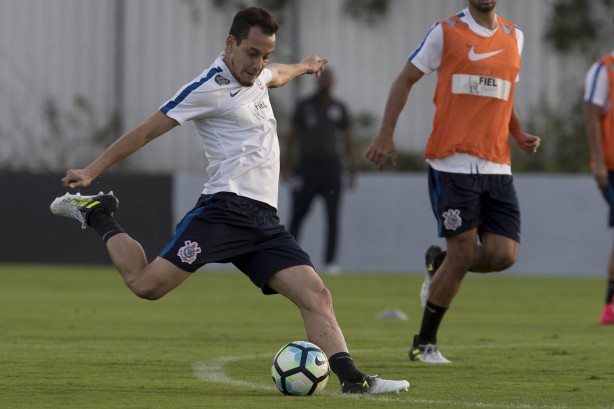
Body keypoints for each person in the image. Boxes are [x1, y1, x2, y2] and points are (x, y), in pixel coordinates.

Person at [49, 7, 408, 394]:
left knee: (317, 295)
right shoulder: (207, 88)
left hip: (265, 222)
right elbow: (146, 132)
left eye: (266, 55)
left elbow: (278, 75)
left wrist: (304, 67)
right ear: (231, 44)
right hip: (224, 211)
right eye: (253, 53)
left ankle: (354, 381)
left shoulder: (257, 76)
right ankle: (100, 215)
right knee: (145, 285)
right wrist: (91, 171)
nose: (259, 64)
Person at [366, 0, 540, 363]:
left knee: (503, 255)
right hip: (453, 162)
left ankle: (439, 262)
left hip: (497, 165)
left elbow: (501, 93)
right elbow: (405, 79)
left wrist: (519, 133)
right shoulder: (445, 32)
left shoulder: (514, 36)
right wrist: (386, 132)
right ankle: (424, 343)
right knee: (463, 254)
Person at [281, 68, 356, 275]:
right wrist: (286, 166)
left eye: (329, 78)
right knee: (297, 214)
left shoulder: (338, 108)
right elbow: (291, 137)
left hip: (331, 168)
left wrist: (351, 170)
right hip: (306, 167)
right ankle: (289, 257)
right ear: (317, 80)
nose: (326, 82)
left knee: (332, 216)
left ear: (333, 82)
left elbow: (347, 139)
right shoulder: (304, 106)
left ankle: (331, 261)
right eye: (323, 78)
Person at [584, 28, 614, 325]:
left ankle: (610, 305)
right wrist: (597, 161)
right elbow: (591, 113)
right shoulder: (604, 69)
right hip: (611, 166)